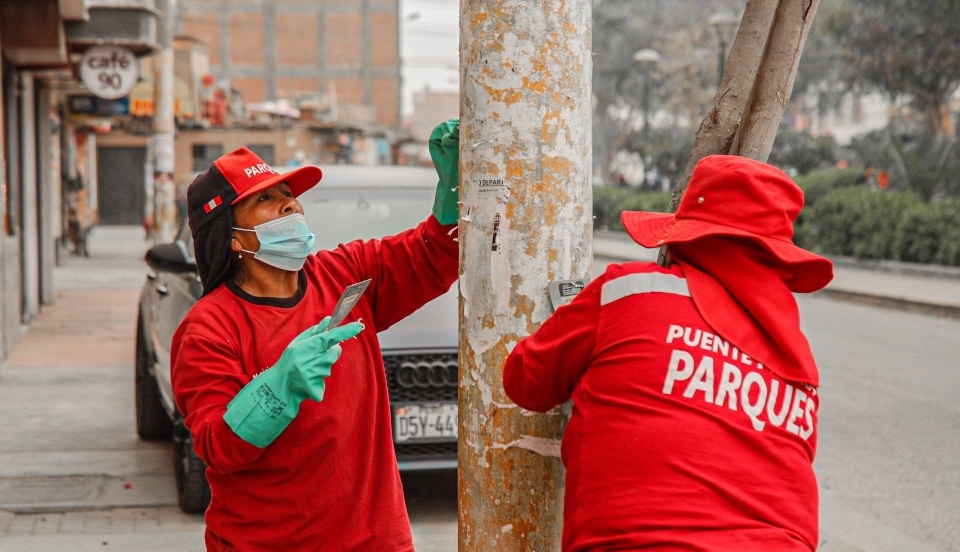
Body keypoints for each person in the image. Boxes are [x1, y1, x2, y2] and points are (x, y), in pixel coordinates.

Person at [502, 155, 834, 552]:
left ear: (687, 235)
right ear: (779, 257)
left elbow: (525, 380)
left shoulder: (629, 292)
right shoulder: (800, 367)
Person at [171, 119, 460, 551]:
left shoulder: (344, 274)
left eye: (288, 195)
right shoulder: (207, 327)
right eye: (265, 200)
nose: (290, 206)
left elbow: (433, 253)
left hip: (376, 541)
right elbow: (218, 447)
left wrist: (457, 190)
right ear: (232, 238)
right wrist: (274, 389)